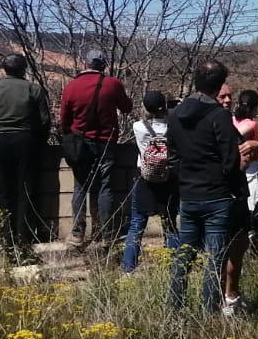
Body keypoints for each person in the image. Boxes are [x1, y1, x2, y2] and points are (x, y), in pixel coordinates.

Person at [166, 60, 246, 313]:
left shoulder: (176, 114)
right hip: (217, 197)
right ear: (218, 85)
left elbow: (172, 155)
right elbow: (230, 159)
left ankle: (174, 309)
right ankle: (209, 314)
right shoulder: (219, 115)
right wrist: (231, 187)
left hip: (188, 196)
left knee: (183, 257)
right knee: (214, 259)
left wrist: (185, 178)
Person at [0, 53, 51, 266]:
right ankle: (23, 236)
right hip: (25, 139)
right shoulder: (33, 89)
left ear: (4, 69)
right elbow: (45, 121)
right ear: (24, 69)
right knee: (25, 189)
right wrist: (38, 142)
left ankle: (4, 236)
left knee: (1, 190)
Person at [58, 49, 133, 250]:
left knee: (80, 187)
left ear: (85, 64)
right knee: (105, 187)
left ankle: (77, 234)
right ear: (104, 66)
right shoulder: (112, 84)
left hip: (81, 143)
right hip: (107, 143)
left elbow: (64, 119)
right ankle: (106, 234)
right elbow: (127, 107)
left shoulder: (71, 87)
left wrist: (71, 136)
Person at [122, 90, 180, 272]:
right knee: (170, 224)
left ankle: (128, 268)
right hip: (169, 179)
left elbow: (145, 117)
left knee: (137, 225)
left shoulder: (138, 127)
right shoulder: (173, 127)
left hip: (145, 178)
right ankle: (173, 266)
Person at [219, 89, 258, 315]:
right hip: (245, 178)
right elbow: (237, 136)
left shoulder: (231, 119)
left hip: (235, 181)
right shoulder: (244, 123)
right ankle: (228, 295)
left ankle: (226, 295)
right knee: (237, 240)